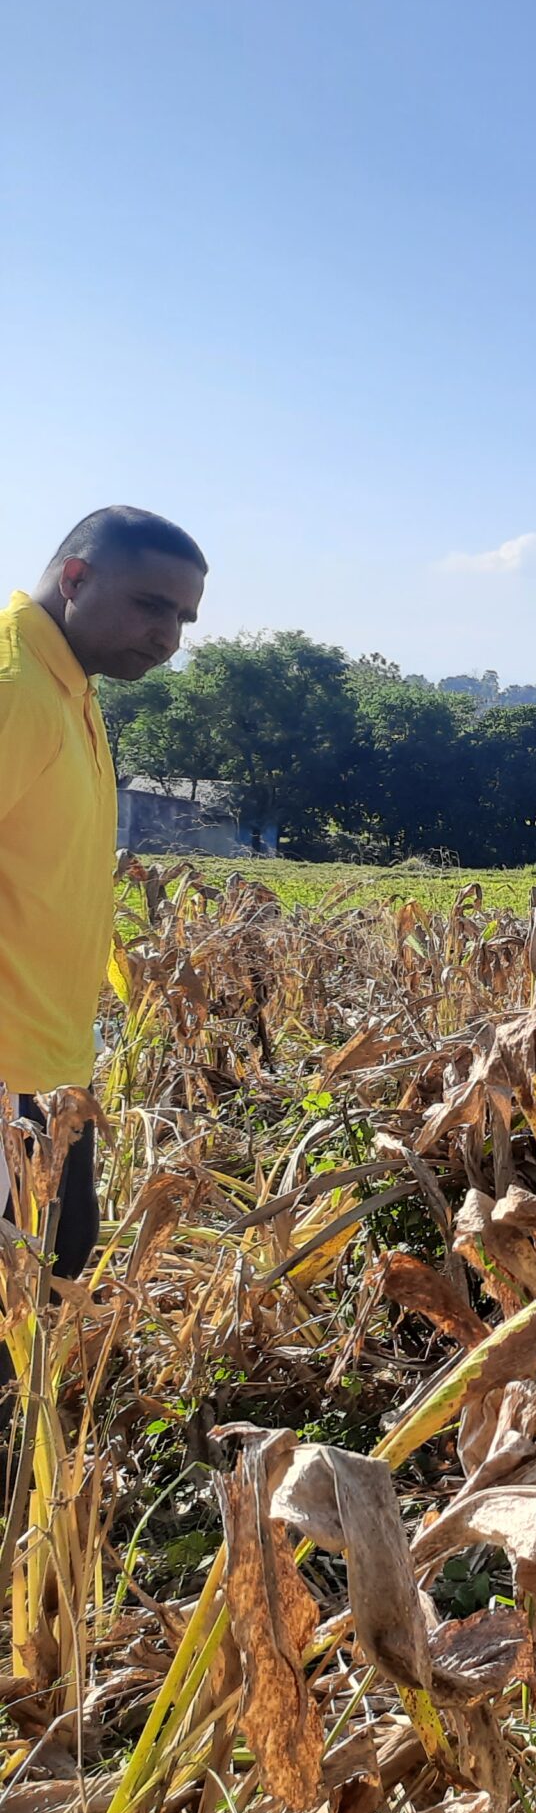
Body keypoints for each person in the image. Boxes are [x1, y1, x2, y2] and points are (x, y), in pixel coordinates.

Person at [1, 507, 205, 1276]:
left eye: (183, 618)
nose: (169, 638)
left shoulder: (69, 688)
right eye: (152, 606)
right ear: (76, 578)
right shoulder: (15, 686)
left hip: (48, 1061)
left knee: (57, 1260)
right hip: (7, 1065)